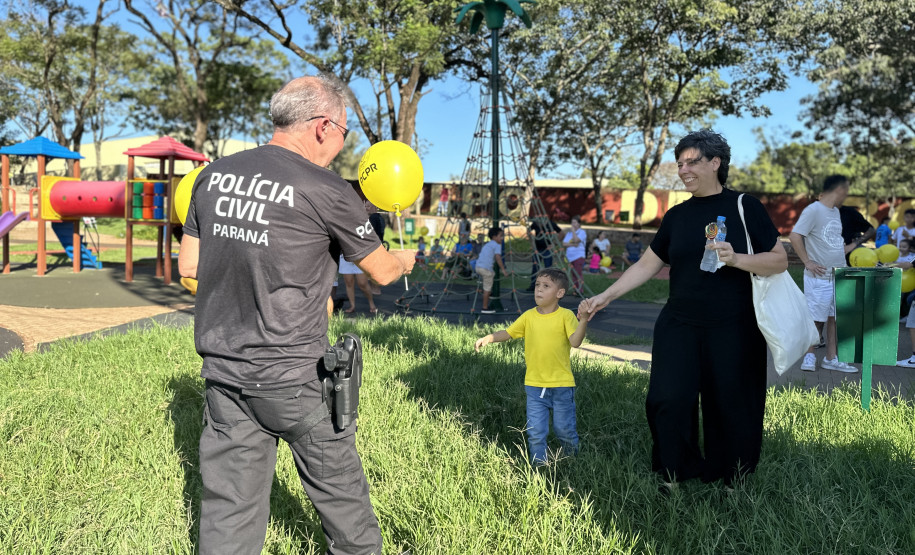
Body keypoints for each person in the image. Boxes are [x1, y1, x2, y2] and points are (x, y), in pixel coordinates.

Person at [178, 74, 415, 555]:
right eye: (345, 133)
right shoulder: (326, 189)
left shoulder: (212, 175)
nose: (341, 145)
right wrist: (405, 260)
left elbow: (188, 267)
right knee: (343, 501)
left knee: (229, 509)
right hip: (295, 376)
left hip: (224, 373)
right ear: (324, 126)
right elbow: (384, 273)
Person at [578, 129, 788, 488]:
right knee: (667, 396)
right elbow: (647, 264)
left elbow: (780, 260)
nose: (683, 169)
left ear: (715, 162)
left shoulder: (744, 206)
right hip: (680, 321)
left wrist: (736, 258)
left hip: (734, 324)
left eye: (692, 161)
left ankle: (731, 477)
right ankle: (674, 471)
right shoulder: (676, 216)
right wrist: (606, 296)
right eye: (680, 163)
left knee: (731, 403)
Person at [474, 268, 589, 465]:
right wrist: (490, 338)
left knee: (564, 430)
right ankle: (539, 466)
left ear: (559, 293)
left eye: (546, 286)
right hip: (534, 385)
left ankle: (573, 464)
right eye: (537, 285)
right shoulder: (528, 316)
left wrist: (584, 320)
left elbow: (575, 342)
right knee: (536, 432)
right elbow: (509, 333)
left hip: (561, 385)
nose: (539, 290)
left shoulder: (566, 316)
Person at [789, 175, 858, 373]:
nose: (846, 197)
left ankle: (831, 358)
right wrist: (807, 262)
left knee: (834, 318)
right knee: (816, 319)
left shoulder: (835, 211)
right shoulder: (813, 209)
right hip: (819, 277)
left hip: (837, 275)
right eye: (846, 192)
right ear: (839, 190)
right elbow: (795, 236)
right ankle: (809, 357)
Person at [477, 227, 508, 314]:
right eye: (500, 236)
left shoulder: (487, 244)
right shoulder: (497, 245)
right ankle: (485, 308)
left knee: (492, 274)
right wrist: (503, 270)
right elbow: (498, 258)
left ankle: (485, 291)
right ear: (494, 237)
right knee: (487, 287)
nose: (502, 238)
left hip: (478, 267)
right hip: (485, 269)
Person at [529, 215, 561, 290]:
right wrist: (532, 242)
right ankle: (533, 285)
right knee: (535, 267)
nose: (540, 225)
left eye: (541, 223)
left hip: (547, 249)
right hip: (537, 249)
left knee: (548, 268)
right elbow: (528, 230)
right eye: (538, 223)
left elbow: (561, 233)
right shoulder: (535, 223)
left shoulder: (551, 224)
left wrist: (554, 244)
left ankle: (548, 285)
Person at [562, 215, 587, 294]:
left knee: (578, 273)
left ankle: (580, 290)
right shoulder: (569, 233)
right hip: (570, 257)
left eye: (575, 222)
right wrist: (572, 245)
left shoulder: (582, 232)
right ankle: (575, 290)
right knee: (573, 274)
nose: (573, 224)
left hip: (578, 255)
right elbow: (564, 243)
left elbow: (576, 240)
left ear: (579, 224)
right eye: (572, 222)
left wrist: (573, 231)